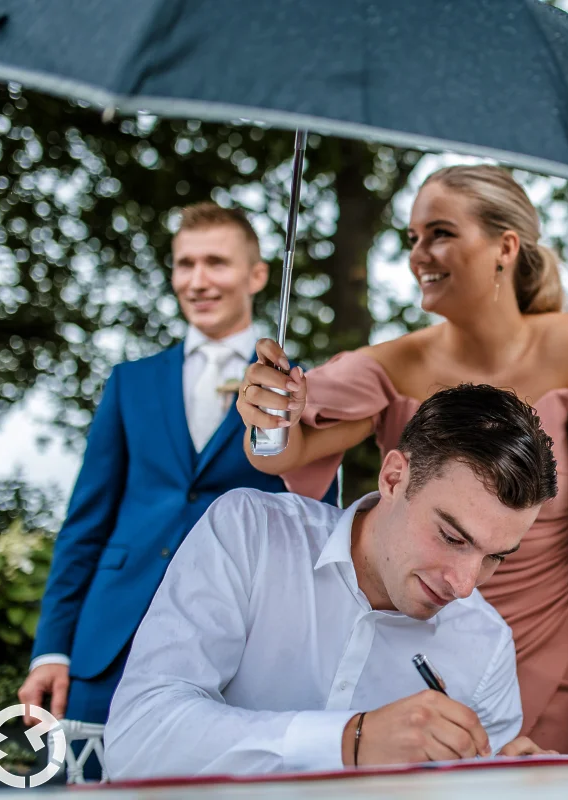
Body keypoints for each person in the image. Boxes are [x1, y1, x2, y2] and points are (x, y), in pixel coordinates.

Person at [236, 165, 568, 754]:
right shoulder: (397, 364)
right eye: (412, 238)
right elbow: (294, 445)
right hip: (428, 645)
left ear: (505, 248)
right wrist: (270, 411)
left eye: (439, 232)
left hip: (561, 635)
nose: (419, 254)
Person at [104, 385, 557, 778]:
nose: (464, 585)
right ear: (395, 477)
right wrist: (349, 742)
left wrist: (500, 784)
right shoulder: (251, 533)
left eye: (494, 557)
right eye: (451, 537)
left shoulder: (487, 645)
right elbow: (137, 741)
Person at [20, 203, 336, 735]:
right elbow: (85, 523)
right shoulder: (129, 382)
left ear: (258, 275)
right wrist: (52, 648)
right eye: (184, 264)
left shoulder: (302, 387)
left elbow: (313, 528)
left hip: (235, 646)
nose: (198, 280)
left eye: (216, 262)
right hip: (108, 642)